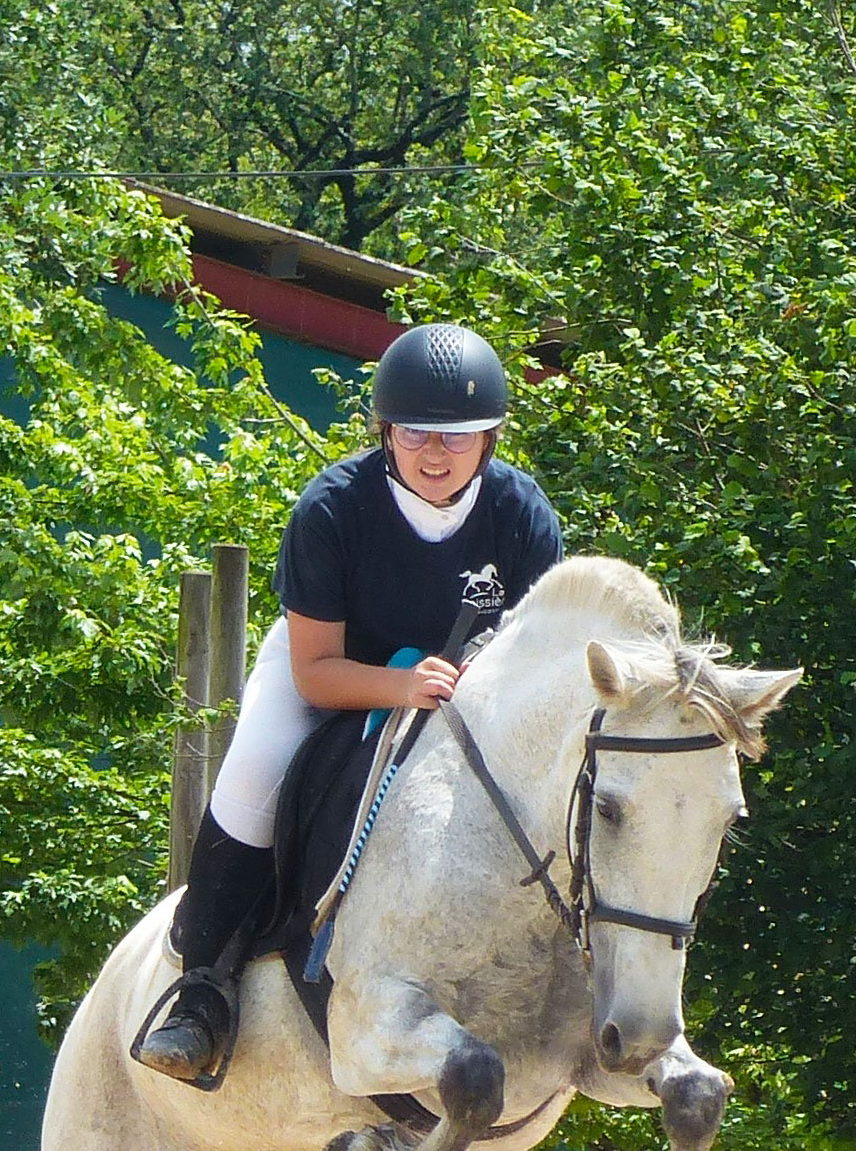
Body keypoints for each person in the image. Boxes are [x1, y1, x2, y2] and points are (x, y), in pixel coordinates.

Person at [134, 322, 564, 1085]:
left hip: (470, 693)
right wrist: (399, 685)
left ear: (491, 437)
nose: (436, 455)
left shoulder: (521, 512)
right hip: (338, 671)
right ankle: (200, 992)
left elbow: (538, 664)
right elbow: (316, 672)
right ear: (385, 431)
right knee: (252, 778)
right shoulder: (332, 508)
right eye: (415, 434)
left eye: (457, 438)